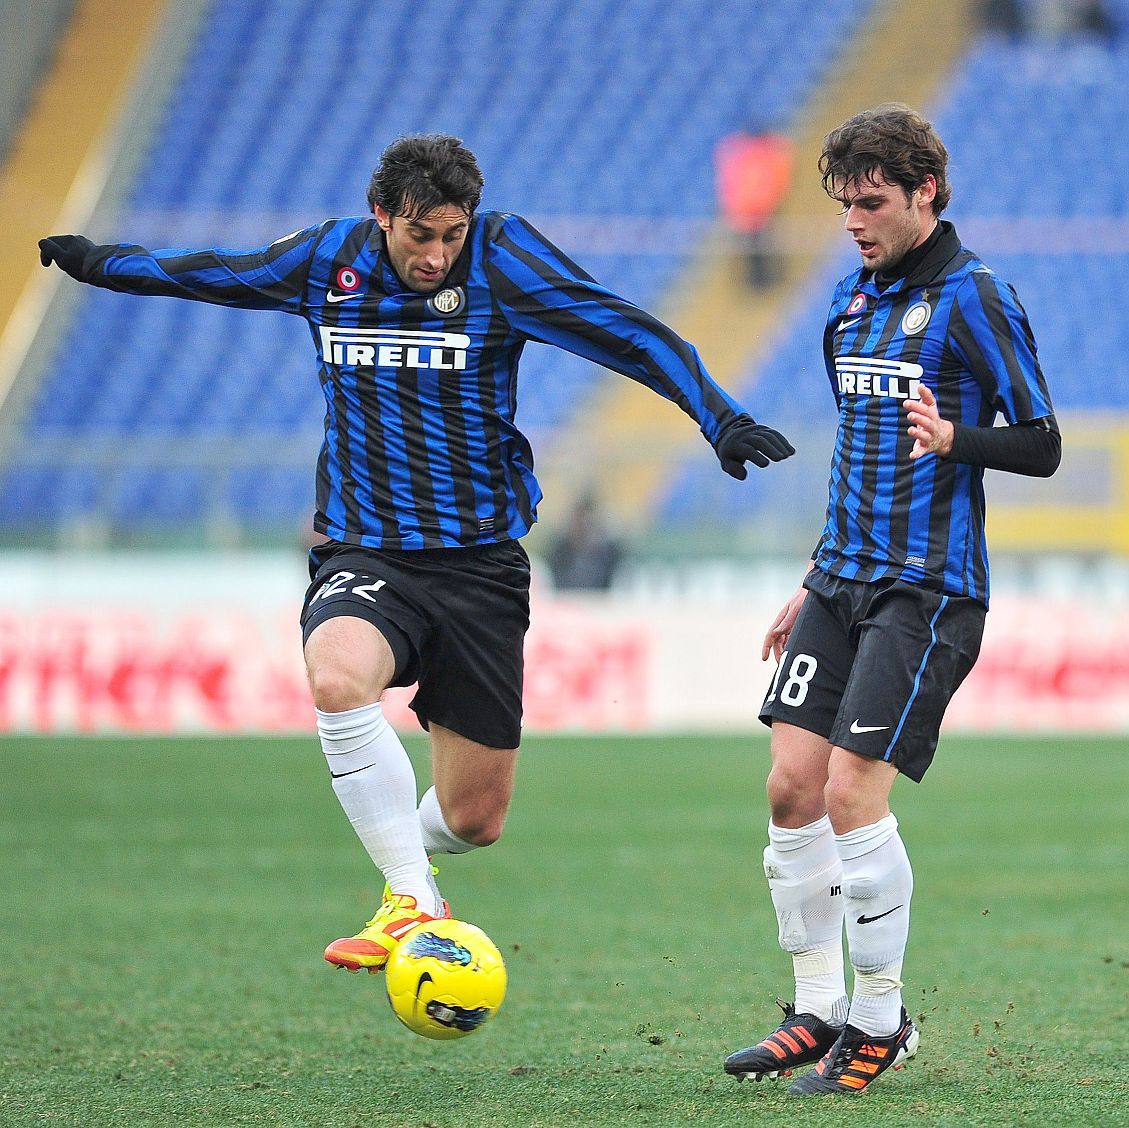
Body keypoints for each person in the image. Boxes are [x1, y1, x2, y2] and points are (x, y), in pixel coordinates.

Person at [38, 133, 793, 972]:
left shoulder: (502, 259)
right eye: (418, 235)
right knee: (336, 673)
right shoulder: (330, 261)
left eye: (451, 235)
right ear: (381, 218)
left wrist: (717, 415)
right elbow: (219, 271)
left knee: (475, 818)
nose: (436, 255)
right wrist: (104, 263)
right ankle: (409, 898)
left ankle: (418, 858)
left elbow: (623, 330)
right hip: (370, 552)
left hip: (480, 565)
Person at [721, 103, 1060, 1095]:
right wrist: (812, 577)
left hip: (929, 591)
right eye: (844, 206)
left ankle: (878, 1021)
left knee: (849, 790)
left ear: (926, 193)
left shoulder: (975, 298)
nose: (856, 221)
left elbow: (1041, 442)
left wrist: (960, 439)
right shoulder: (852, 304)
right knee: (789, 786)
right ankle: (816, 1007)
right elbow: (857, 461)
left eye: (872, 204)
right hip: (841, 579)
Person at [714, 121, 794, 291]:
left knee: (763, 248)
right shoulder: (757, 156)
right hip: (753, 210)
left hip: (757, 210)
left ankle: (765, 283)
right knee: (756, 249)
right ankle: (760, 284)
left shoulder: (752, 156)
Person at [545, 491, 625, 591]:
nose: (582, 524)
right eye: (579, 519)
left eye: (586, 520)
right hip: (567, 600)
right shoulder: (561, 549)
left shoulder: (606, 551)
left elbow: (609, 580)